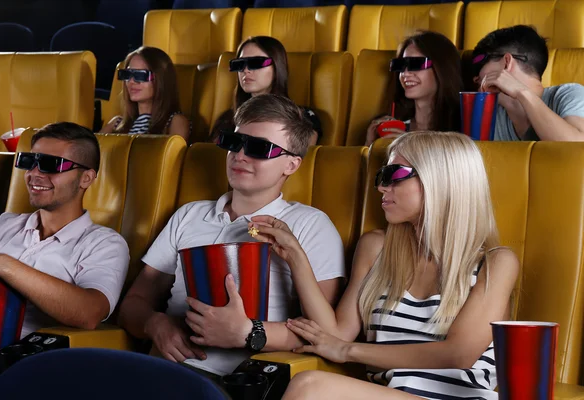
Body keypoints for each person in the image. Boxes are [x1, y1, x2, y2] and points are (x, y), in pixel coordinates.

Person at [250, 131, 519, 399]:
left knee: (310, 387)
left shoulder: (495, 262)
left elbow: (459, 353)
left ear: (440, 180)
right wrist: (296, 256)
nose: (381, 187)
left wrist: (347, 351)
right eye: (382, 177)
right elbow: (336, 334)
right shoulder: (377, 248)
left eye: (395, 175)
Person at [118, 94, 345, 377]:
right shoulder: (189, 215)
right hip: (164, 369)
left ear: (292, 165)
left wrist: (248, 333)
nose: (240, 155)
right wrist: (155, 324)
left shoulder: (310, 225)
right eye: (234, 142)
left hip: (243, 380)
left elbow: (323, 334)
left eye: (259, 148)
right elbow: (133, 303)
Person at [0, 122, 129, 338]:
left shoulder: (104, 243)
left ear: (86, 178)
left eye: (51, 165)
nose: (34, 173)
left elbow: (89, 313)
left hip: (23, 358)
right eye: (29, 161)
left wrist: (3, 265)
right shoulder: (4, 224)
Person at [473, 25, 584, 141]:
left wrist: (521, 92)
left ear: (506, 63)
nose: (475, 78)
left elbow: (577, 147)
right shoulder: (489, 117)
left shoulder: (569, 94)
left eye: (479, 67)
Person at [210, 36, 322, 145]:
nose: (246, 70)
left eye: (256, 63)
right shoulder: (227, 119)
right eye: (239, 64)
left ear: (278, 66)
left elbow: (298, 161)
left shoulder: (303, 118)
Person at [365, 31, 463, 146]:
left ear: (443, 69)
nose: (405, 73)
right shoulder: (390, 127)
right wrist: (370, 145)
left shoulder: (462, 128)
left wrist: (408, 146)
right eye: (400, 65)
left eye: (416, 64)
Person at [100, 46, 191, 140]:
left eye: (140, 75)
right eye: (127, 74)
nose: (131, 81)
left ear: (161, 80)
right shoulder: (117, 123)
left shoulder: (175, 122)